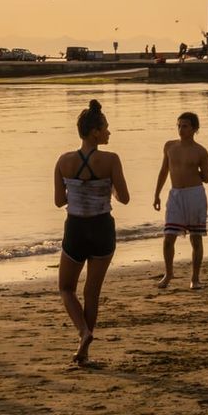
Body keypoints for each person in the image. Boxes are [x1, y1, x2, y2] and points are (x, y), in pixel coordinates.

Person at [54, 99, 129, 367]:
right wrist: (106, 189)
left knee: (65, 288)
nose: (109, 132)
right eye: (106, 128)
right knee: (92, 292)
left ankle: (83, 332)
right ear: (95, 132)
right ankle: (84, 348)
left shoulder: (64, 161)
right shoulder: (111, 160)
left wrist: (79, 190)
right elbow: (125, 198)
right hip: (101, 228)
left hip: (75, 228)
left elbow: (59, 201)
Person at [153, 112, 208, 290]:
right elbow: (164, 171)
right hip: (175, 195)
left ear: (194, 128)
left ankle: (195, 278)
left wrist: (193, 171)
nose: (181, 129)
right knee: (169, 237)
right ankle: (168, 274)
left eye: (185, 126)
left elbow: (207, 177)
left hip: (194, 195)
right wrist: (156, 194)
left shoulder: (200, 151)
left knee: (196, 238)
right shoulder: (170, 146)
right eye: (179, 125)